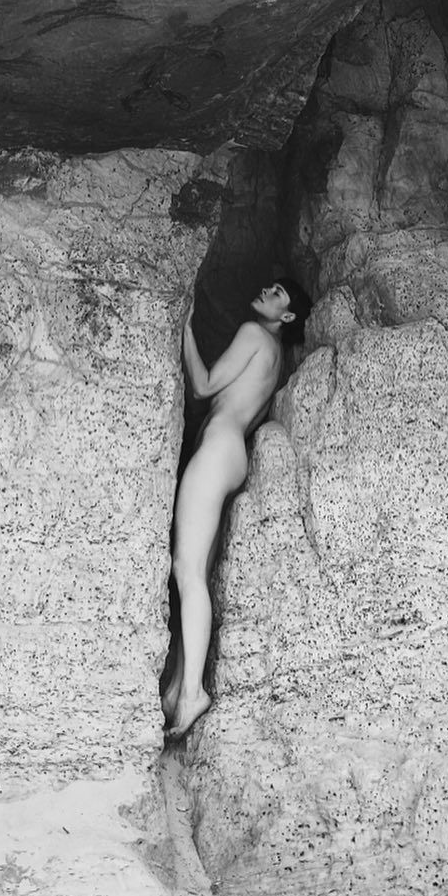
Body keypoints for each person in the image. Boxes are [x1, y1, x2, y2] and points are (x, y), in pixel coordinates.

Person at [162, 277, 311, 740]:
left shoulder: (253, 333)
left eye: (278, 294)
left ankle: (192, 693)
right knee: (197, 577)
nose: (267, 290)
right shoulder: (275, 355)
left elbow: (203, 385)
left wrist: (184, 326)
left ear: (286, 316)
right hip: (234, 453)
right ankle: (178, 686)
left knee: (186, 571)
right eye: (270, 286)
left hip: (216, 450)